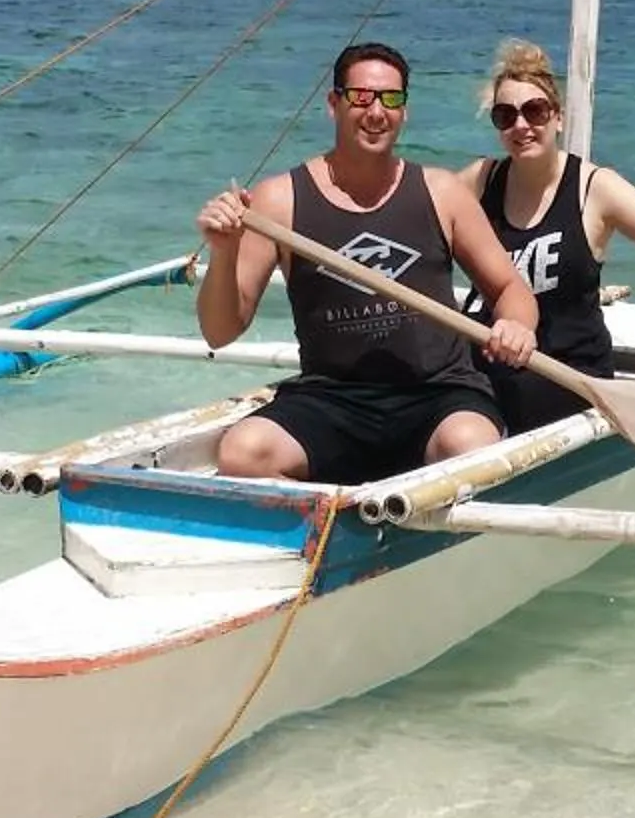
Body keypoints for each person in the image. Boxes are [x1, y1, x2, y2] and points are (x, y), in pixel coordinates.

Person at [194, 41, 539, 485]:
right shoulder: (278, 201)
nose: (376, 112)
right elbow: (220, 331)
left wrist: (516, 326)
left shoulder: (442, 192)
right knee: (243, 453)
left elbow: (512, 290)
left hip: (438, 395)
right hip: (332, 400)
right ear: (333, 104)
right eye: (361, 97)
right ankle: (331, 524)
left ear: (404, 111)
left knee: (471, 447)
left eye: (390, 99)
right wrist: (224, 251)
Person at [454, 39, 635, 432]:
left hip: (569, 381)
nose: (521, 125)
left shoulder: (595, 189)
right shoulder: (480, 180)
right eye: (505, 115)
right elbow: (416, 227)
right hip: (487, 375)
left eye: (535, 111)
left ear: (558, 118)